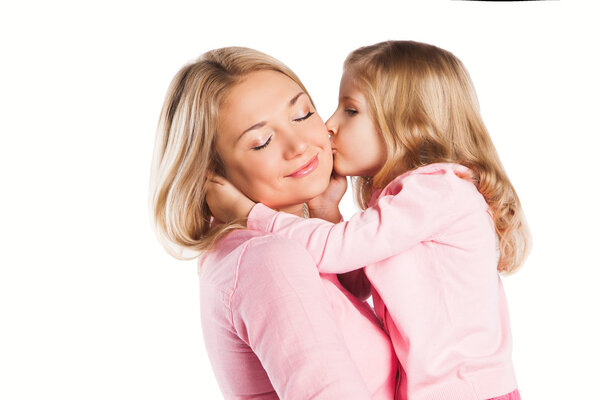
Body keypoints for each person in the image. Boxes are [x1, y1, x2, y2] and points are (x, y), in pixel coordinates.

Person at [207, 41, 531, 400]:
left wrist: (250, 215)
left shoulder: (437, 192)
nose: (330, 125)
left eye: (350, 111)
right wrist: (328, 210)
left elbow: (341, 250)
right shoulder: (406, 198)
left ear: (410, 124)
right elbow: (358, 283)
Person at [148, 46, 398, 399]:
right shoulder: (268, 259)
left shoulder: (270, 250)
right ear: (212, 173)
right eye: (261, 142)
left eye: (302, 114)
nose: (299, 145)